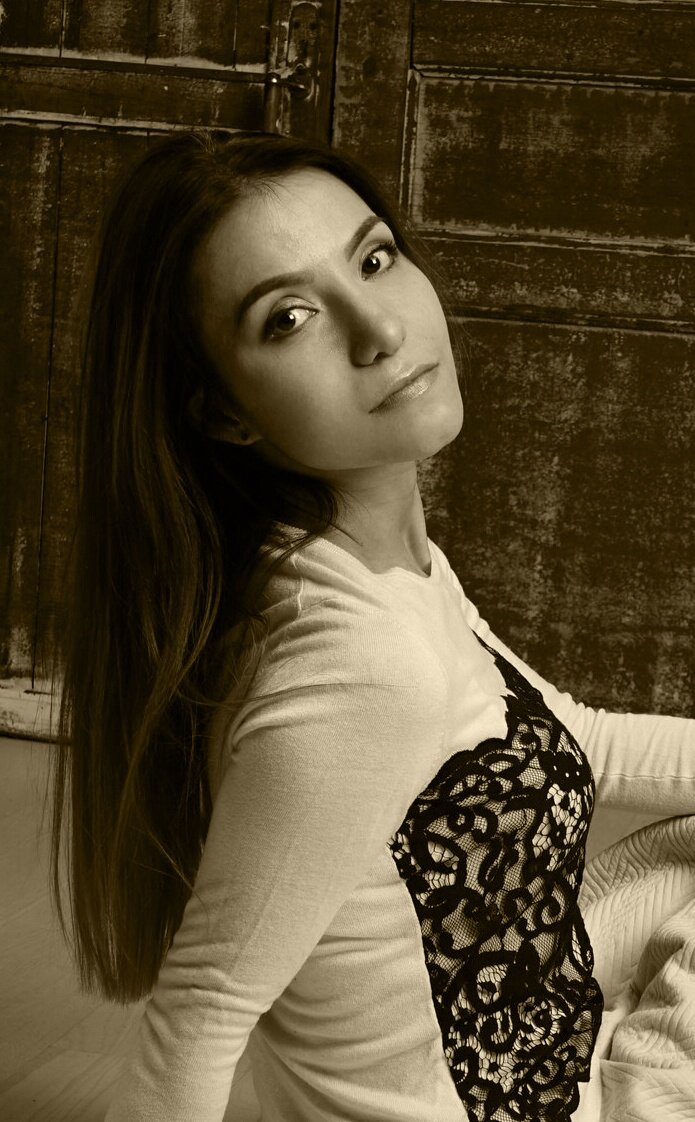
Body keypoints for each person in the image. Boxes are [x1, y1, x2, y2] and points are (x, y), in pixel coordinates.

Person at [48, 129, 695, 1122]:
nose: (380, 329)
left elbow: (573, 735)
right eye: (289, 318)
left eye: (375, 258)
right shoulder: (366, 664)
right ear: (221, 413)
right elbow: (199, 1016)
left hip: (529, 1022)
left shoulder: (358, 562)